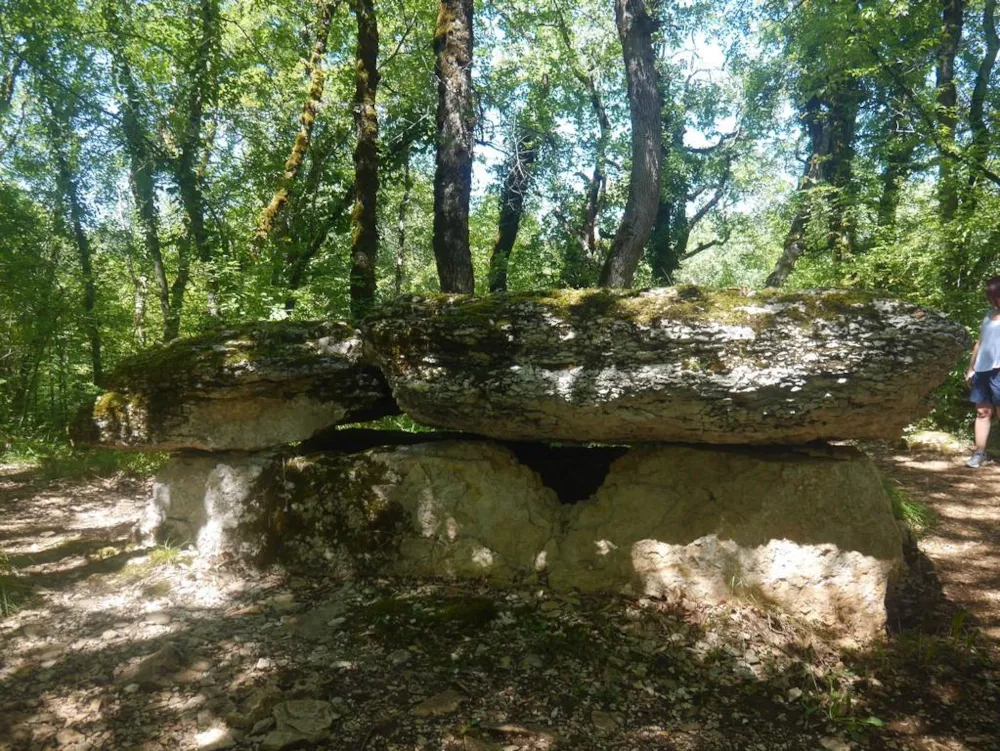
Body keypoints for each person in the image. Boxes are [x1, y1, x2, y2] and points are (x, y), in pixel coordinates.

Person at [965, 276, 1000, 468]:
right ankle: (980, 453)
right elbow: (980, 342)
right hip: (982, 370)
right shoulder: (989, 315)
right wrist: (971, 368)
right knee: (982, 412)